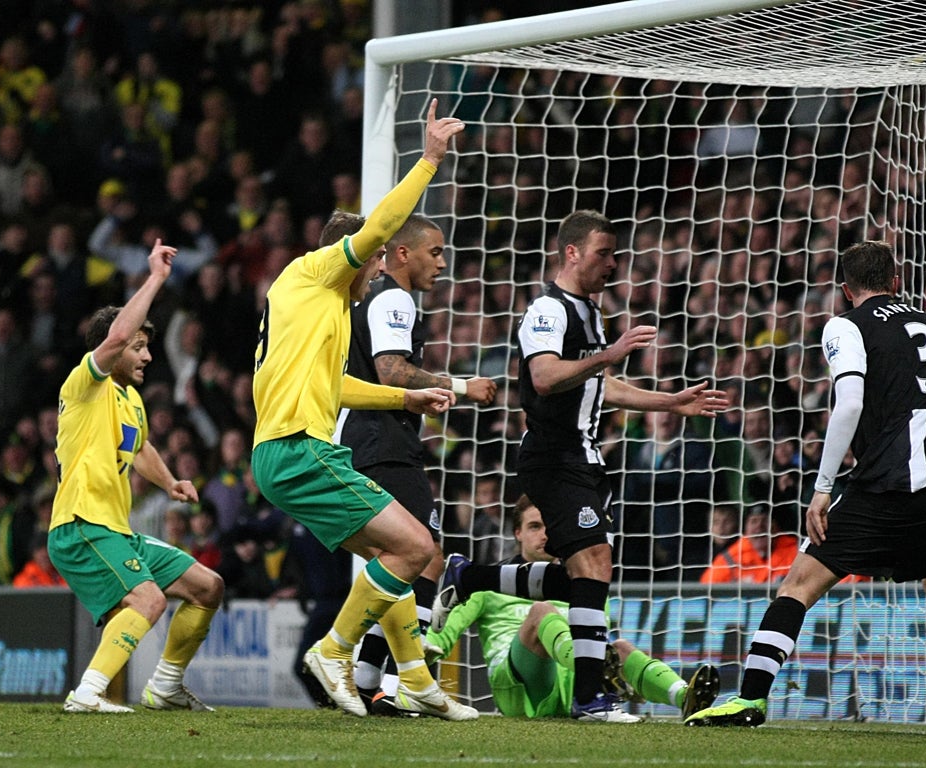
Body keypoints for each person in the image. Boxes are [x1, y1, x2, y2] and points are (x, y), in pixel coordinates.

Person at [685, 241, 926, 735]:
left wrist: (823, 487)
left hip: (886, 483)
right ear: (897, 281)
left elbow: (848, 405)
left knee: (799, 584)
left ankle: (750, 699)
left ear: (846, 290)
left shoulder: (846, 325)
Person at [432, 210, 728, 723]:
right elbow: (546, 376)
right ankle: (591, 699)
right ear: (572, 253)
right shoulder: (547, 311)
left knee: (580, 582)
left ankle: (472, 575)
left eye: (614, 254)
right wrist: (609, 353)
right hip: (554, 457)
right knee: (595, 567)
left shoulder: (588, 311)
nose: (612, 264)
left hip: (583, 457)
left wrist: (670, 402)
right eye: (602, 254)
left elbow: (596, 383)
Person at [249, 99, 477, 720]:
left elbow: (339, 390)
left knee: (391, 553)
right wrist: (430, 160)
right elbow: (376, 229)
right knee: (416, 546)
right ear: (350, 254)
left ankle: (415, 677)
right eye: (375, 261)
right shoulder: (313, 275)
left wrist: (407, 396)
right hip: (299, 449)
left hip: (283, 453)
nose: (377, 270)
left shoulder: (315, 314)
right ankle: (334, 651)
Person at [49, 239, 224, 714]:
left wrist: (169, 483)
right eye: (140, 347)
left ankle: (165, 686)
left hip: (116, 530)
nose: (147, 357)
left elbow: (141, 446)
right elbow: (113, 338)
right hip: (82, 525)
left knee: (207, 586)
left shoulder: (131, 399)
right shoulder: (85, 385)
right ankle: (88, 693)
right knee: (147, 600)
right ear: (115, 346)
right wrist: (155, 279)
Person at [337, 213, 496, 713]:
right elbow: (391, 370)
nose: (443, 263)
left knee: (407, 558)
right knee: (422, 554)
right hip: (379, 437)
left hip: (374, 436)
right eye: (435, 252)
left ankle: (368, 677)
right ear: (402, 254)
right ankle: (407, 679)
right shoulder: (394, 298)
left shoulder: (376, 296)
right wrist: (463, 386)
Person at [425, 495, 720, 719]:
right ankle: (594, 681)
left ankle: (685, 697)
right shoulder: (487, 583)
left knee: (621, 647)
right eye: (534, 526)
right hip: (517, 688)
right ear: (517, 533)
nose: (544, 535)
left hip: (570, 686)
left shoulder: (584, 587)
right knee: (542, 613)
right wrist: (417, 661)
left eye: (549, 526)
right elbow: (441, 629)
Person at [699, 504, 798, 584]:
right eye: (753, 521)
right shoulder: (731, 557)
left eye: (765, 521)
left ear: (776, 527)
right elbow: (704, 591)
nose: (759, 526)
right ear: (745, 530)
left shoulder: (797, 552)